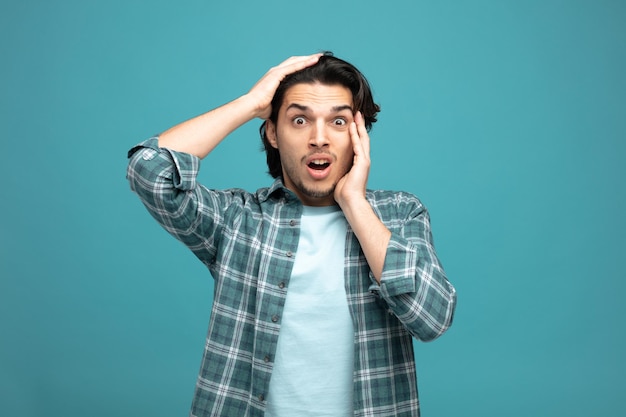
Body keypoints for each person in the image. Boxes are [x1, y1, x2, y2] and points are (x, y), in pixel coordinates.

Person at [127, 52, 456, 417]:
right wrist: (250, 104)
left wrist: (355, 203)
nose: (319, 138)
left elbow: (433, 319)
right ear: (272, 133)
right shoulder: (237, 221)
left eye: (338, 122)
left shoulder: (400, 214)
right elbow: (149, 171)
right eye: (299, 120)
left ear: (359, 135)